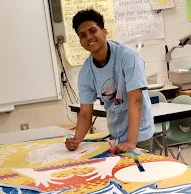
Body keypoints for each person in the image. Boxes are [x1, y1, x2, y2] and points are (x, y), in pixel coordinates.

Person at [65, 9, 154, 153]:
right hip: (116, 134)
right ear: (80, 42)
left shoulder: (128, 57)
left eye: (93, 31)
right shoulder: (86, 72)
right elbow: (86, 114)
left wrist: (131, 142)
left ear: (104, 32)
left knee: (141, 173)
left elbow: (136, 101)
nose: (89, 37)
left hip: (139, 134)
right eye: (83, 35)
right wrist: (76, 140)